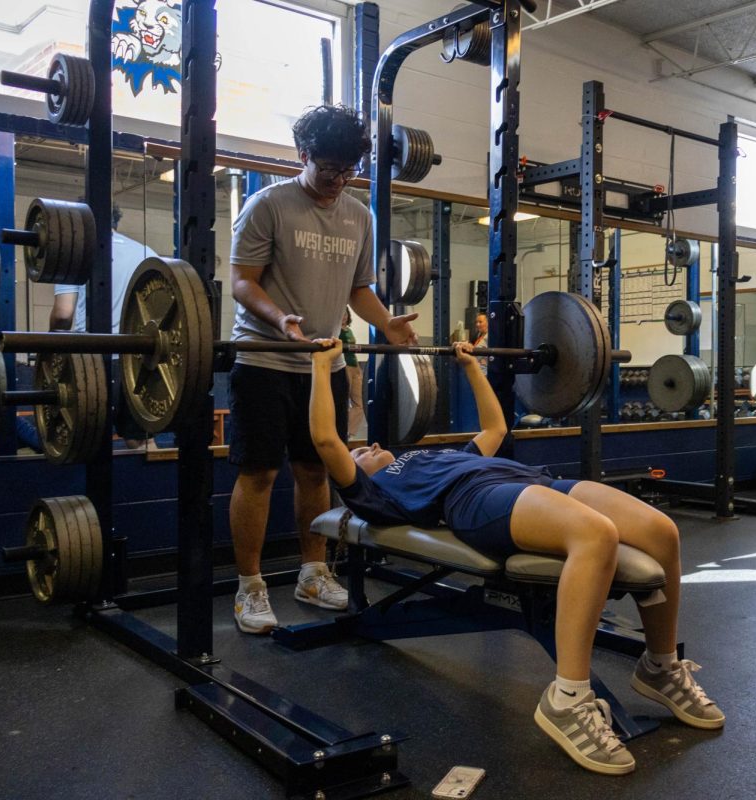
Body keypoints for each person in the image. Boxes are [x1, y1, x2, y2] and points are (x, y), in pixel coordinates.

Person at [308, 338, 724, 776]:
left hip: (532, 481)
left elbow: (495, 430)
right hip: (476, 501)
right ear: (351, 481)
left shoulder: (434, 456)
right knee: (595, 535)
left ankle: (660, 666)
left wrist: (470, 366)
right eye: (359, 452)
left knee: (662, 532)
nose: (369, 445)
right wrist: (322, 364)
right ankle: (568, 699)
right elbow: (324, 438)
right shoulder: (375, 492)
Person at [228, 104, 419, 633]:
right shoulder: (267, 205)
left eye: (349, 170)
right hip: (265, 359)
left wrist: (388, 325)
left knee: (316, 470)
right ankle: (249, 587)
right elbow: (243, 280)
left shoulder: (360, 215)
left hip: (324, 365)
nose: (339, 181)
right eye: (330, 169)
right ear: (304, 156)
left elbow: (359, 289)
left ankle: (313, 573)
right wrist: (280, 318)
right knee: (260, 473)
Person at [47, 203, 157, 450]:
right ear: (115, 222)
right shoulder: (146, 253)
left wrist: (50, 350)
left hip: (90, 362)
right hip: (136, 361)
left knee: (83, 439)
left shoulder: (74, 256)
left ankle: (87, 489)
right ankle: (159, 488)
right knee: (141, 440)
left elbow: (64, 315)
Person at [339, 308, 365, 438]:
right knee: (343, 401)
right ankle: (340, 432)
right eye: (342, 314)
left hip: (354, 367)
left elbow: (353, 351)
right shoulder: (335, 331)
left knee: (359, 404)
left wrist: (358, 369)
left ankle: (349, 433)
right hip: (343, 367)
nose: (344, 316)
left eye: (346, 314)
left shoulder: (349, 331)